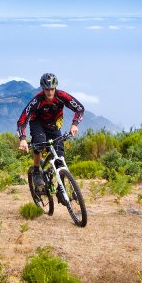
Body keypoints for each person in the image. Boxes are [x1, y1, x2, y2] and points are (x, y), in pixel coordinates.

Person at [17, 72, 85, 203]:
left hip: (54, 124)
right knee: (40, 143)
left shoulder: (61, 96)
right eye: (47, 89)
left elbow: (80, 109)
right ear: (43, 89)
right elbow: (22, 120)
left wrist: (74, 124)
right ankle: (36, 170)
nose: (50, 92)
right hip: (37, 123)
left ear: (55, 88)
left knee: (60, 156)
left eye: (52, 89)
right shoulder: (37, 100)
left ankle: (61, 188)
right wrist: (22, 139)